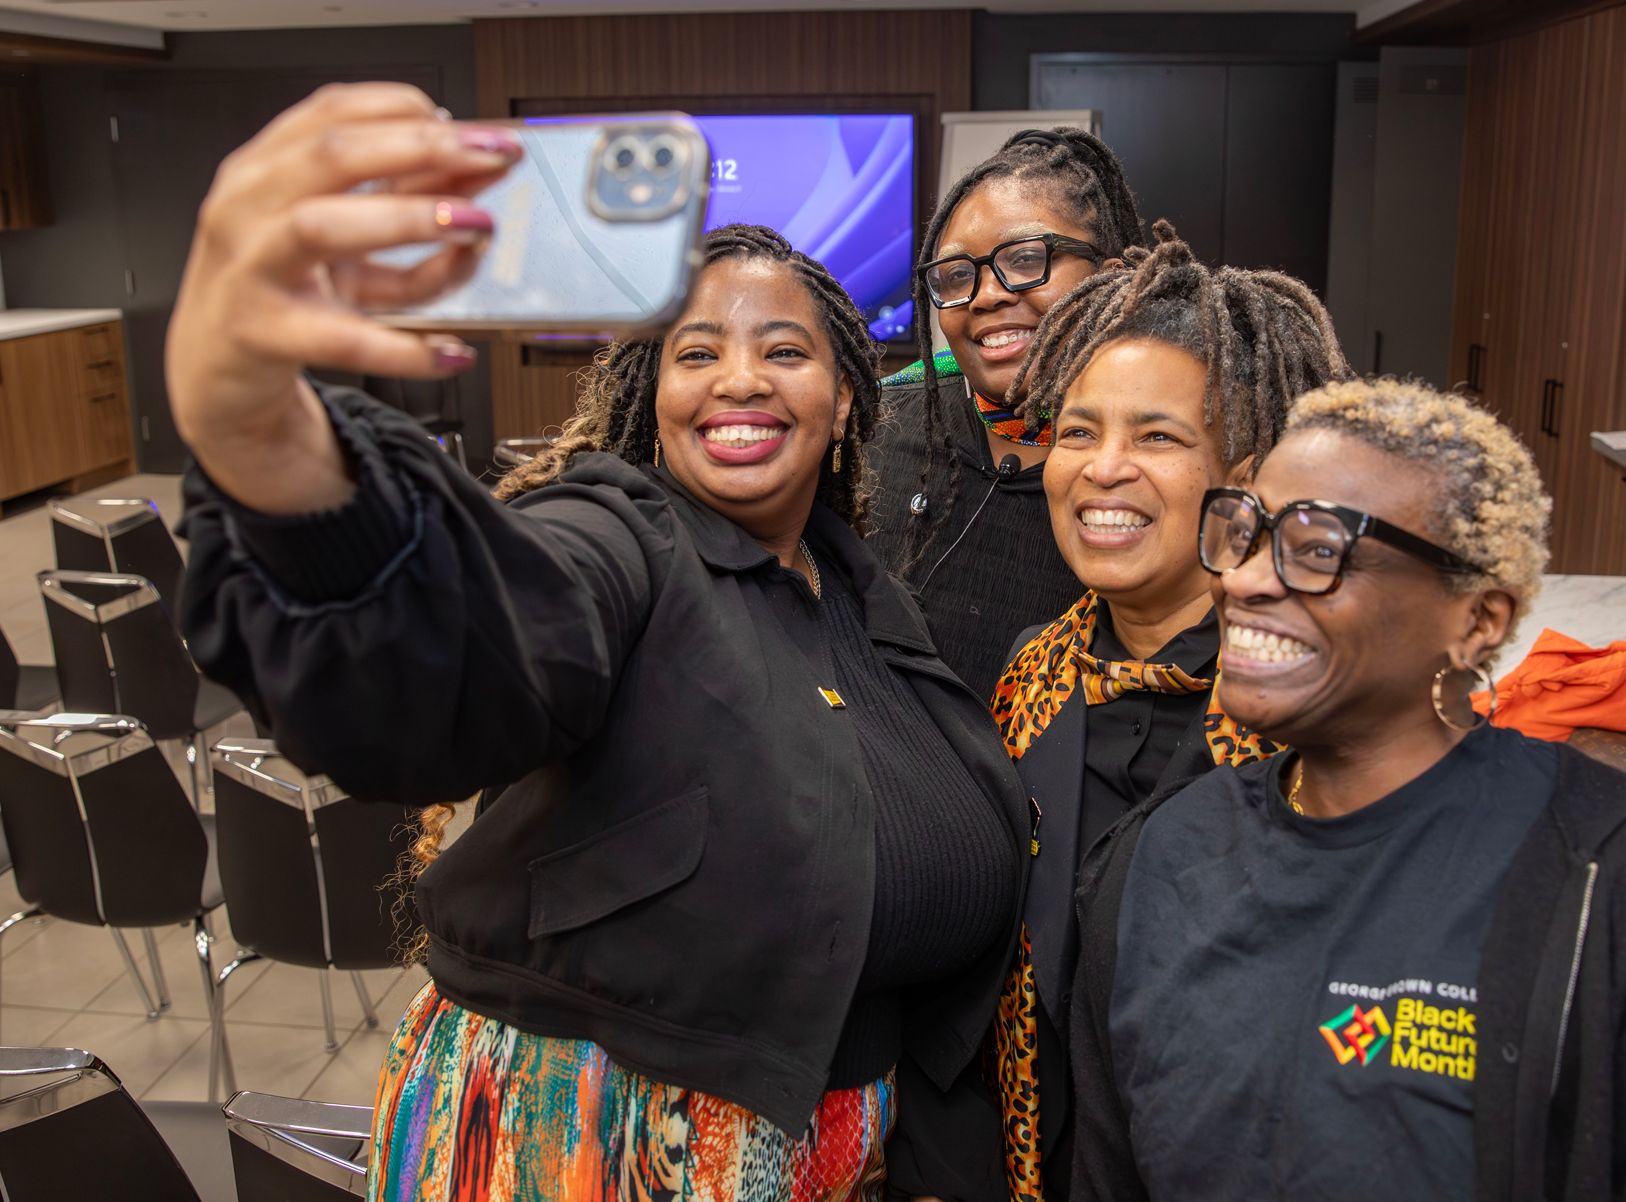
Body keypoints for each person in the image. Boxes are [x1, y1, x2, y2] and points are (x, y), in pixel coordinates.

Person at [166, 84, 1027, 1199]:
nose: (739, 380)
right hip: (582, 1146)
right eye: (695, 351)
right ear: (652, 391)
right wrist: (259, 428)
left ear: (849, 403)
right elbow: (453, 651)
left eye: (784, 350)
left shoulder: (864, 597)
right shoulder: (620, 539)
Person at [1067, 378, 1626, 1201]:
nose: (1246, 580)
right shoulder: (1163, 855)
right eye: (1246, 535)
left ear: (1477, 620)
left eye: (1319, 548)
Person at [985, 227, 1350, 1200]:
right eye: (1074, 430)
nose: (1102, 468)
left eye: (1156, 436)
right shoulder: (1027, 681)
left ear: (1248, 469)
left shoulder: (1318, 712)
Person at [867, 128, 1146, 700]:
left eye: (1024, 260)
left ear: (1113, 278)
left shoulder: (1167, 463)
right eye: (957, 275)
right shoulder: (879, 425)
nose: (986, 295)